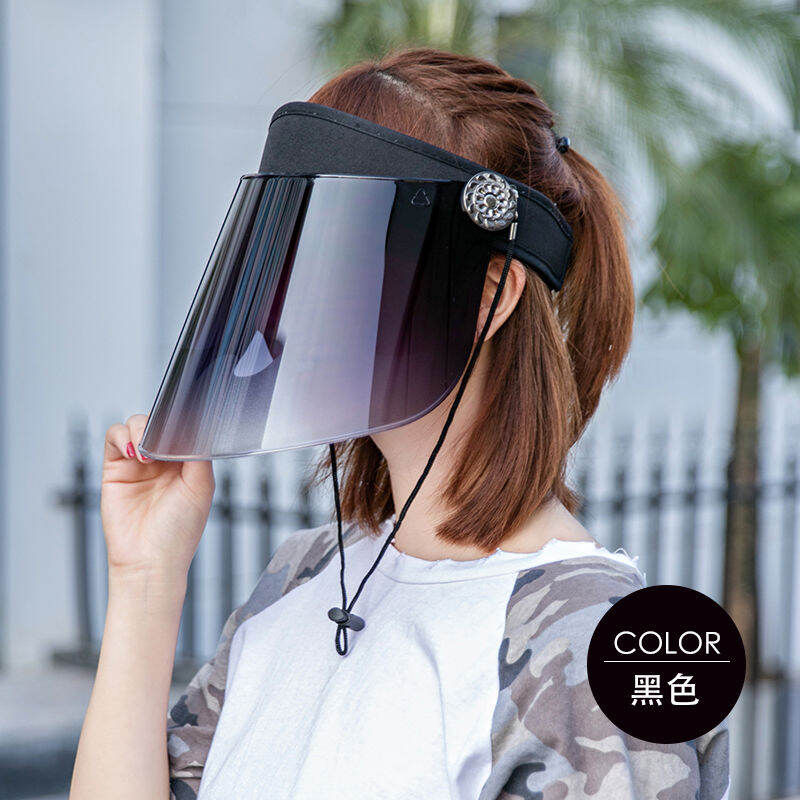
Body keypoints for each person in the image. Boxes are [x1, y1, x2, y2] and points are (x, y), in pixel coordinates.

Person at [69, 49, 728, 800]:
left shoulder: (591, 649)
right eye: (292, 251)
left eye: (341, 250)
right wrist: (145, 579)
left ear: (488, 293)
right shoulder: (302, 575)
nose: (289, 302)